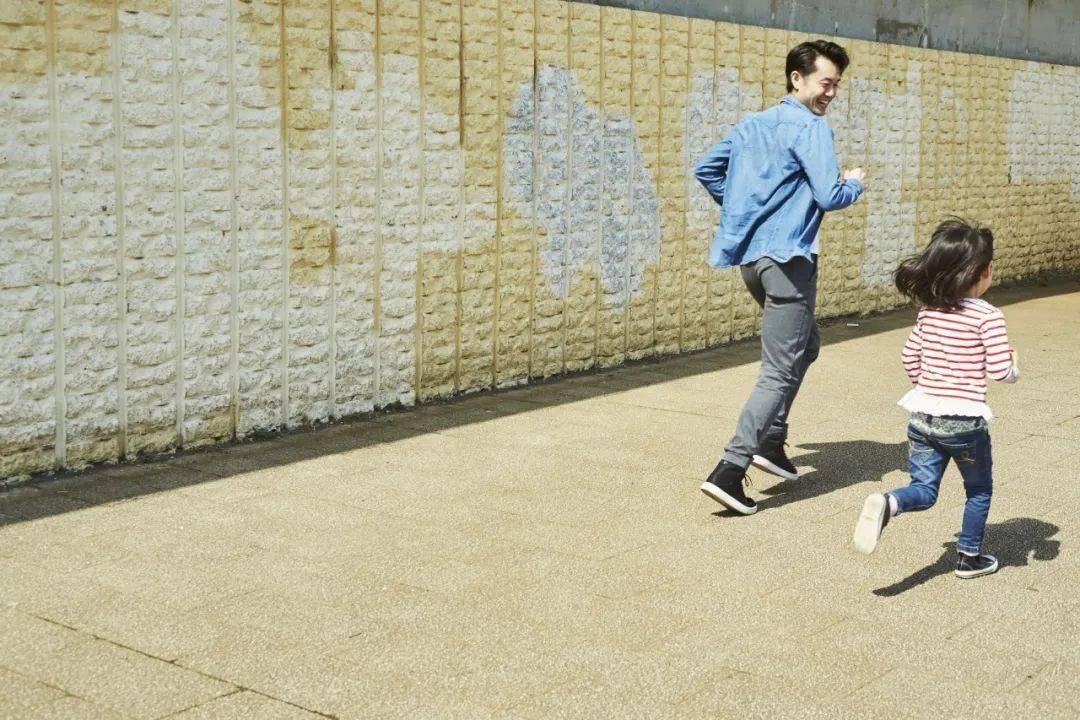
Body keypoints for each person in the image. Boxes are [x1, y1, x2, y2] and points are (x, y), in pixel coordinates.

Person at [694, 40, 866, 515]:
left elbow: (707, 170)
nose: (831, 93)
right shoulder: (811, 128)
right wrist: (854, 183)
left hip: (753, 262)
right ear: (797, 78)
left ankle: (771, 441)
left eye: (836, 85)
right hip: (789, 263)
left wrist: (746, 208)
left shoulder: (753, 125)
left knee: (806, 345)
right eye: (825, 83)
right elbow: (829, 196)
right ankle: (731, 469)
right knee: (779, 368)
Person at [853, 219, 1019, 579]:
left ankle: (890, 502)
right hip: (964, 424)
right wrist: (1014, 366)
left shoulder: (929, 312)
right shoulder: (988, 316)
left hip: (921, 417)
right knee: (979, 490)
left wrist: (926, 387)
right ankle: (968, 558)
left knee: (923, 491)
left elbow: (908, 356)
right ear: (984, 271)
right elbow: (1001, 371)